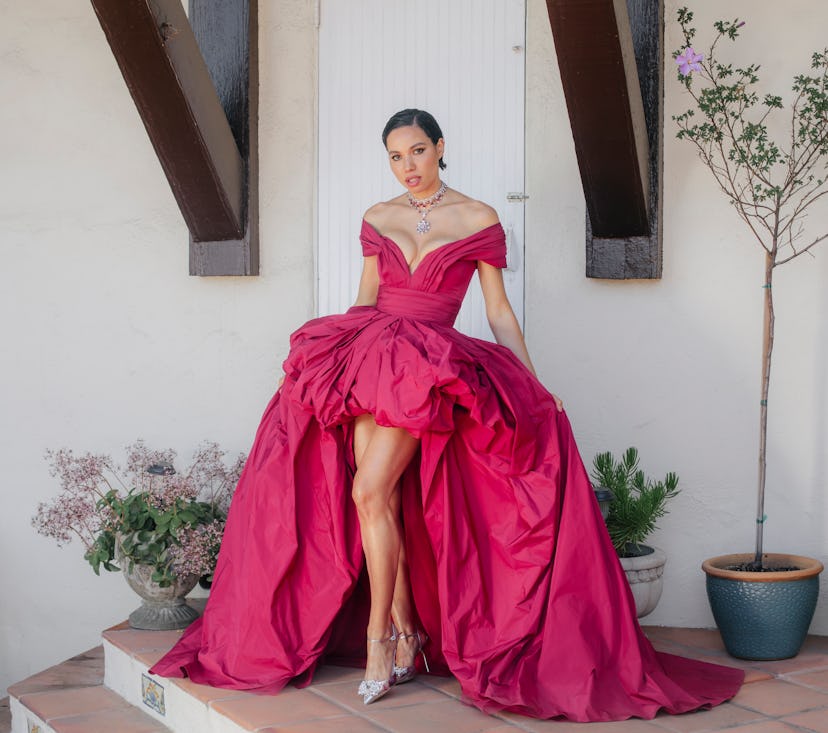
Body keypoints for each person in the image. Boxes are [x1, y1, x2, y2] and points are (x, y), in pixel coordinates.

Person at [150, 109, 744, 721]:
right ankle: (407, 634)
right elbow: (365, 299)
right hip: (372, 358)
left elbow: (498, 312)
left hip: (426, 368)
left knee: (369, 490)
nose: (406, 166)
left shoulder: (479, 217)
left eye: (415, 151)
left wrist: (535, 384)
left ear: (439, 148)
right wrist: (335, 356)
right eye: (394, 156)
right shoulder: (377, 218)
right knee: (380, 499)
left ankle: (381, 640)